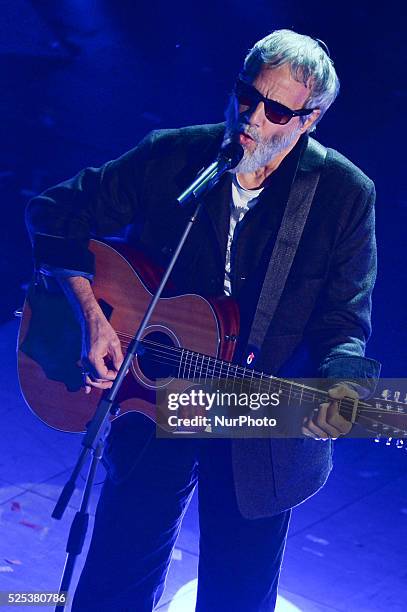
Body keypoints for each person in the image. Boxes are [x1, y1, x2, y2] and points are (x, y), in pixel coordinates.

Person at [26, 29, 381, 611]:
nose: (251, 116)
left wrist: (342, 386)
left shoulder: (344, 195)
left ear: (308, 120)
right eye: (246, 94)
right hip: (153, 394)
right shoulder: (175, 155)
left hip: (259, 412)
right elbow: (54, 213)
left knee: (239, 594)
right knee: (117, 577)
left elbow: (345, 320)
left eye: (276, 110)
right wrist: (92, 315)